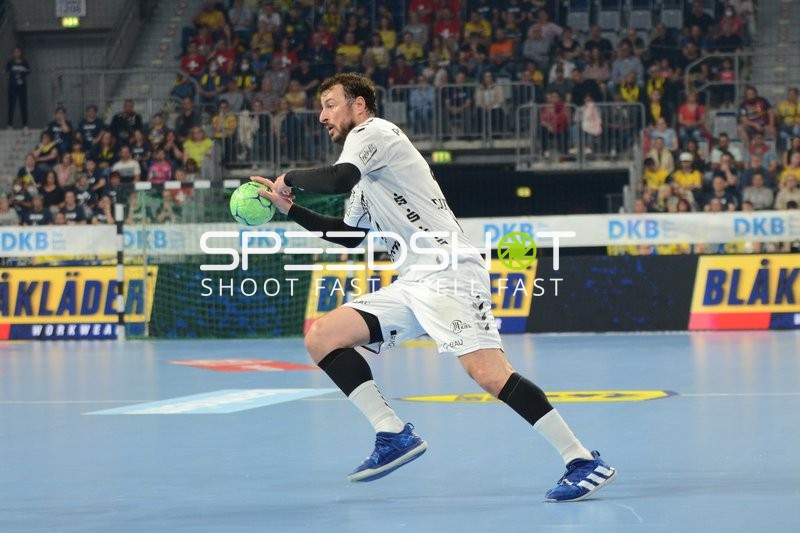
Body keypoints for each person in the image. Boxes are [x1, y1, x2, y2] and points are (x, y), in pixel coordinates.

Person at [249, 73, 616, 501]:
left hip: (450, 272)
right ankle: (393, 433)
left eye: (330, 104)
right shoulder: (366, 178)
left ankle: (582, 459)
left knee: (489, 374)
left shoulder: (375, 133)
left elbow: (336, 178)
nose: (322, 115)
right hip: (414, 280)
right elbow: (349, 235)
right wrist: (288, 207)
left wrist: (290, 176)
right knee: (323, 338)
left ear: (359, 105)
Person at [6, 46, 30, 130]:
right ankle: (9, 125)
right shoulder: (10, 63)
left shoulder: (24, 62)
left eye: (18, 52)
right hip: (12, 87)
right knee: (11, 106)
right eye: (15, 52)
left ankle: (25, 125)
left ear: (21, 53)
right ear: (13, 53)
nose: (17, 53)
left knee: (23, 105)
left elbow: (28, 71)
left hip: (22, 87)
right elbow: (7, 73)